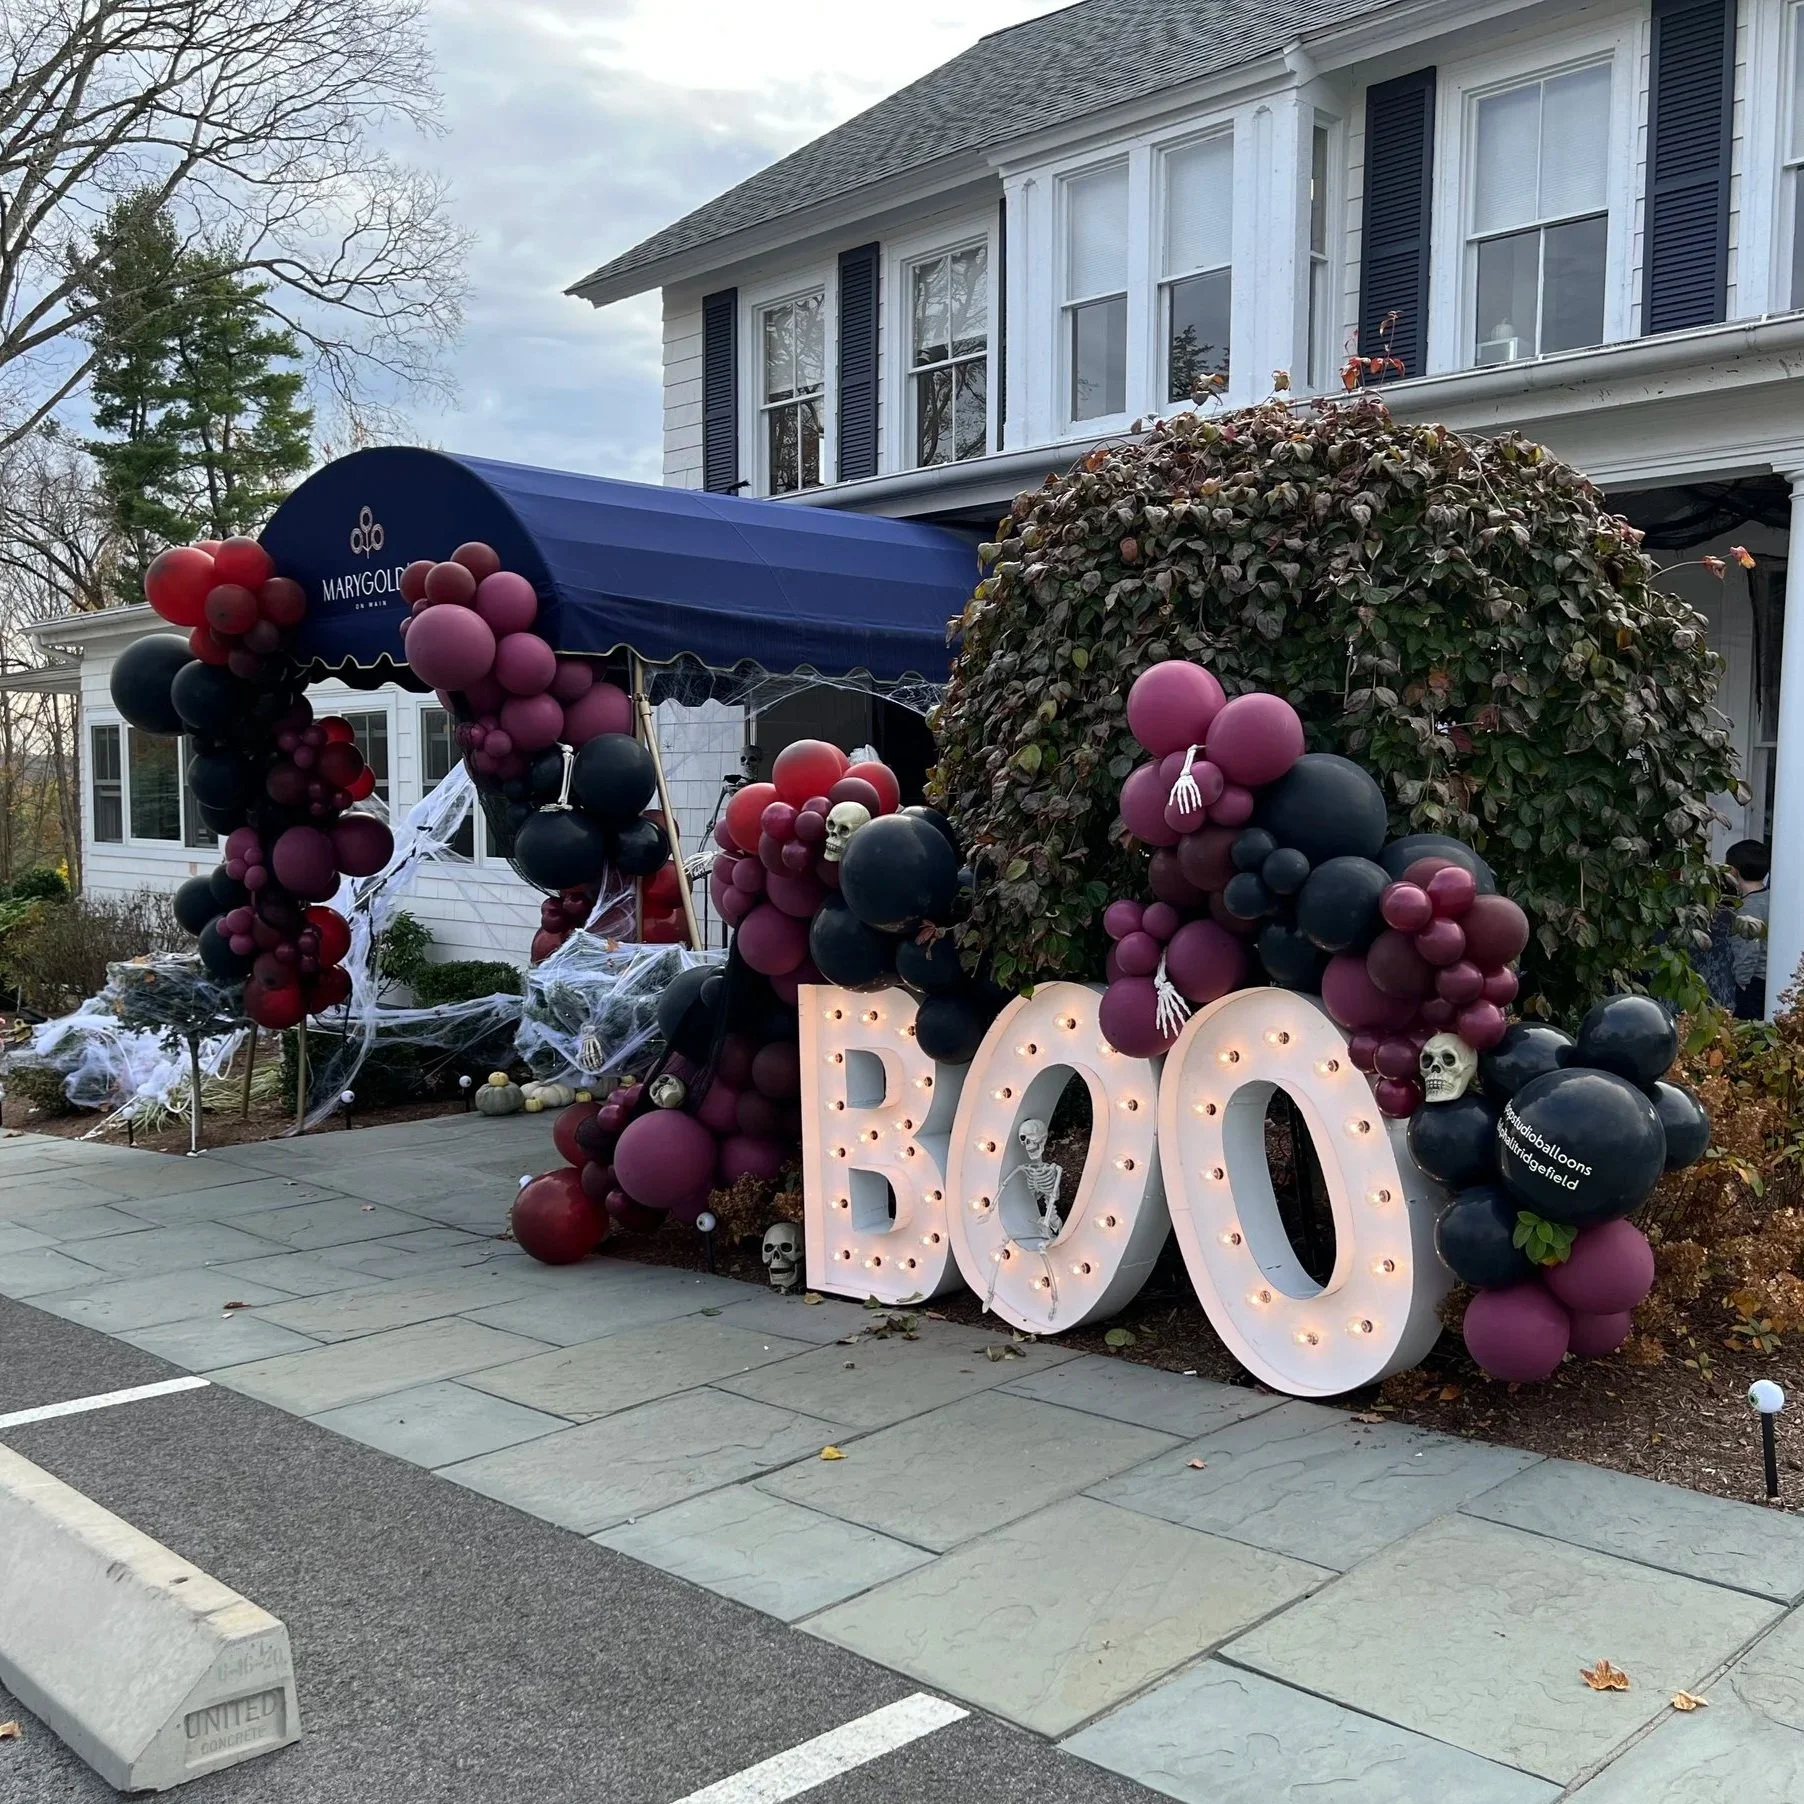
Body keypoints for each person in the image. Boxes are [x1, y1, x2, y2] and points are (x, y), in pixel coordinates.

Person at [1725, 839, 1771, 1020]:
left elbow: (1748, 951)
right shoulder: (1772, 899)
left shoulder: (1746, 908)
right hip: (1767, 979)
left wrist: (1741, 985)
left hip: (1752, 984)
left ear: (1733, 871)